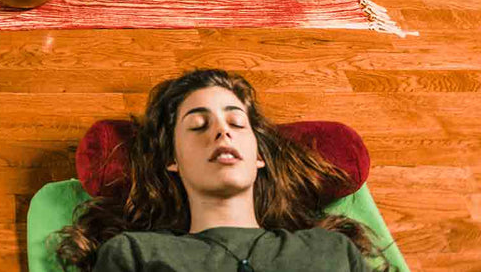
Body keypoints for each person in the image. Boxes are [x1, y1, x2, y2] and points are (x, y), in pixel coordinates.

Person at [56, 69, 387, 272]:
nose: (222, 131)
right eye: (198, 125)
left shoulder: (331, 251)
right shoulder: (135, 254)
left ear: (259, 156)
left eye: (237, 122)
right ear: (173, 159)